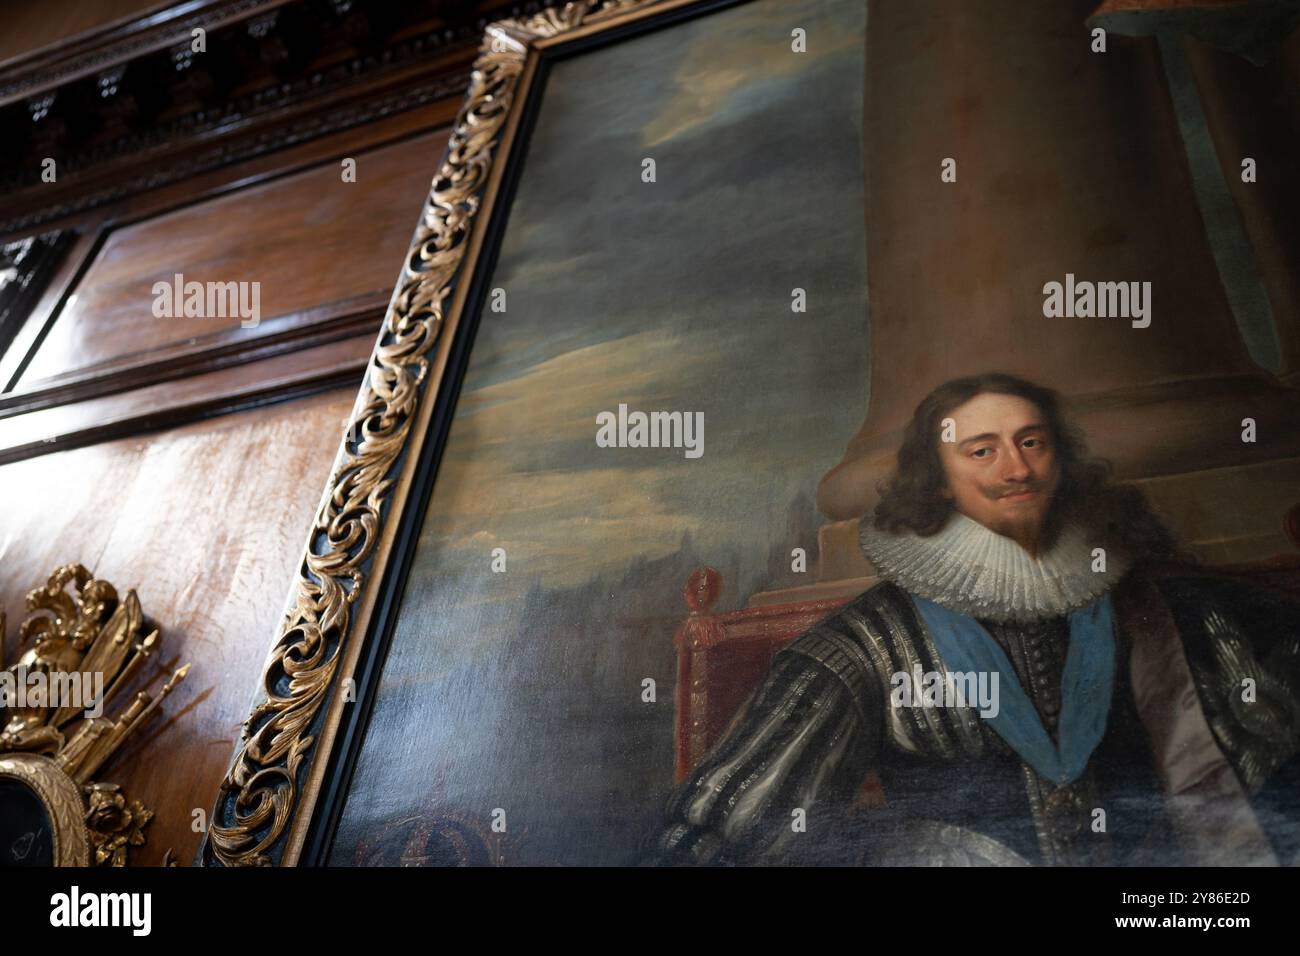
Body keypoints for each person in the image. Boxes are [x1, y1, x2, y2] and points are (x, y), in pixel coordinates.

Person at [653, 373, 1300, 865]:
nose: (1016, 469)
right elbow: (722, 831)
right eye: (982, 451)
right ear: (937, 480)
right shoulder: (869, 643)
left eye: (1031, 443)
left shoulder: (1150, 608)